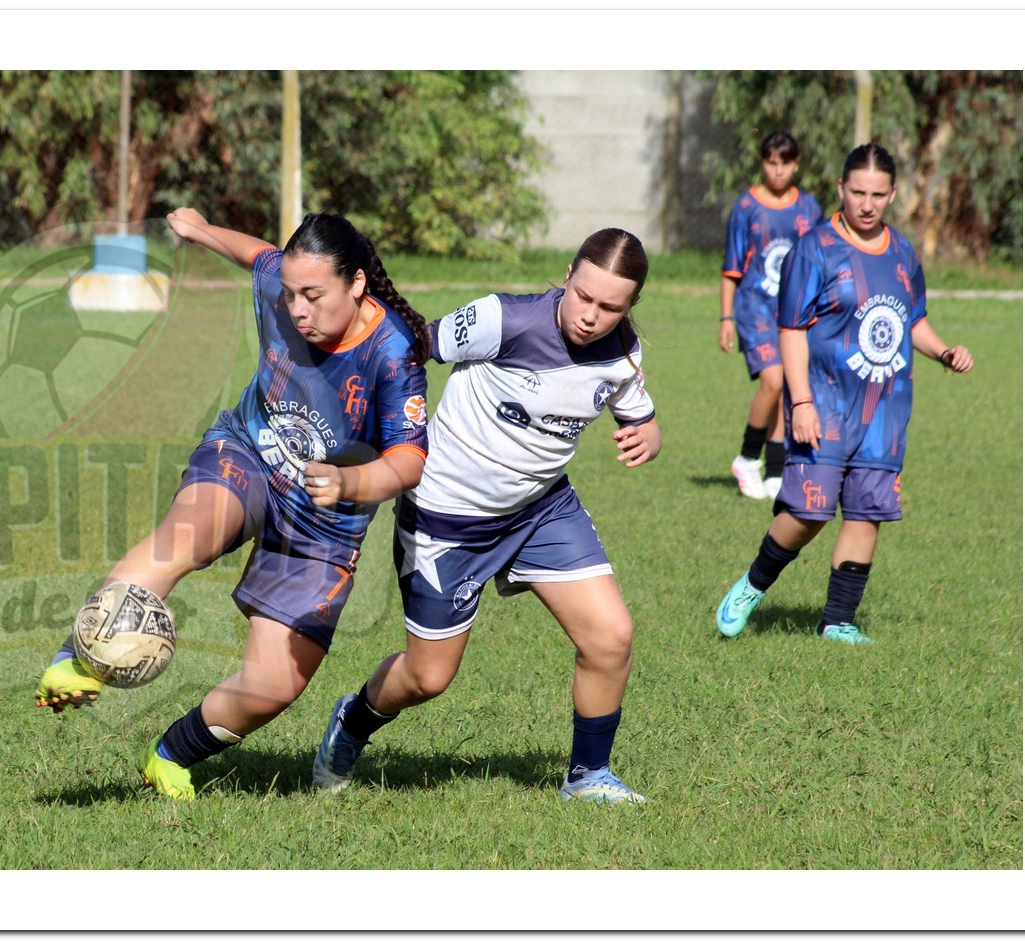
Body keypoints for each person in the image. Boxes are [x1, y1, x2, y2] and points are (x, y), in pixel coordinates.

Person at [34, 208, 431, 801]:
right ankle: (79, 657)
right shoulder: (282, 281)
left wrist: (351, 484)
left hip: (324, 520)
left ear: (355, 284)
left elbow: (408, 461)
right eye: (292, 294)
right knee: (186, 536)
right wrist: (201, 231)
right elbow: (260, 255)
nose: (297, 309)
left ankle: (172, 756)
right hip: (246, 452)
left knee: (274, 685)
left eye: (314, 295)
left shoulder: (391, 354)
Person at [311, 228, 662, 804]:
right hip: (448, 520)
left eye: (611, 307)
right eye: (584, 297)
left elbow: (637, 414)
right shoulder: (504, 319)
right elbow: (407, 347)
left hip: (541, 512)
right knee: (428, 678)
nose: (592, 316)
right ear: (568, 274)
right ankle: (353, 720)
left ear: (631, 307)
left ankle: (587, 776)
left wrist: (647, 435)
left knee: (611, 637)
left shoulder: (623, 352)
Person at [715, 143, 973, 645]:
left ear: (894, 194)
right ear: (840, 189)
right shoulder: (815, 248)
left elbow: (911, 319)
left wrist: (942, 352)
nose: (868, 203)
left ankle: (838, 621)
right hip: (824, 401)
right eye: (858, 192)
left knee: (866, 512)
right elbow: (791, 328)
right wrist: (802, 402)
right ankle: (751, 585)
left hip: (886, 407)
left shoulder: (902, 252)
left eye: (878, 194)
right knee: (808, 511)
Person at [720, 131, 824, 501]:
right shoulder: (747, 206)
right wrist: (725, 318)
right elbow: (732, 266)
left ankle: (776, 468)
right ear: (762, 163)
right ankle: (748, 457)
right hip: (754, 308)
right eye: (771, 163)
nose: (778, 171)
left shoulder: (809, 208)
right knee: (774, 380)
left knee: (790, 383)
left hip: (793, 311)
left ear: (796, 165)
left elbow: (820, 260)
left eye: (785, 163)